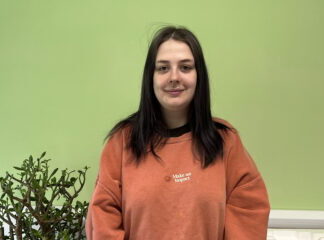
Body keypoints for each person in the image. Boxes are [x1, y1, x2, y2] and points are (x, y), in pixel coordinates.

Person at [86, 25, 270, 240]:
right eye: (163, 68)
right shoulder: (122, 142)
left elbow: (249, 215)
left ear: (198, 75)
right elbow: (103, 220)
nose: (174, 77)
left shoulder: (226, 141)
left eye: (185, 67)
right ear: (150, 77)